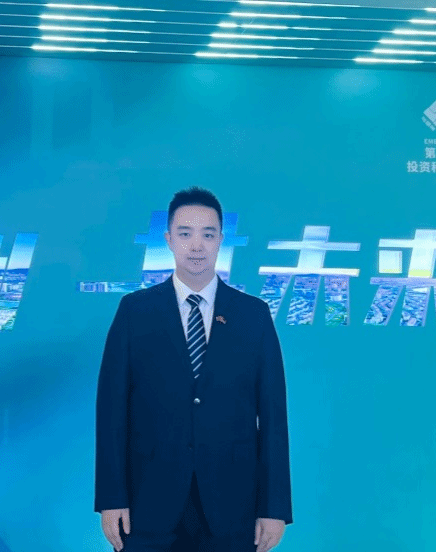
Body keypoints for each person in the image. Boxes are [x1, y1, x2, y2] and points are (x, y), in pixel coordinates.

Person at [95, 187, 292, 552]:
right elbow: (111, 412)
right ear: (169, 239)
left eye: (208, 235)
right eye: (185, 234)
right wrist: (111, 498)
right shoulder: (135, 312)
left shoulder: (254, 316)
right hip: (147, 500)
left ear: (220, 241)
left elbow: (273, 418)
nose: (196, 246)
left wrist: (274, 507)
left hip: (233, 503)